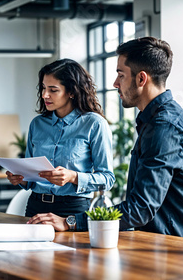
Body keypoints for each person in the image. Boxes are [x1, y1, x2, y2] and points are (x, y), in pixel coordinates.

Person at [33, 37, 183, 240]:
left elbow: (140, 209)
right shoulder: (154, 122)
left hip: (179, 245)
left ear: (141, 79)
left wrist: (70, 221)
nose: (115, 83)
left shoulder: (165, 127)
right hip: (164, 241)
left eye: (120, 75)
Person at [6, 59, 115, 223]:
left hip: (72, 210)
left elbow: (107, 179)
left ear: (71, 91)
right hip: (35, 207)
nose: (45, 95)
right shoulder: (37, 124)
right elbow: (30, 178)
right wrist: (20, 178)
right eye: (43, 88)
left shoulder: (95, 124)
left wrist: (73, 176)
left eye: (53, 90)